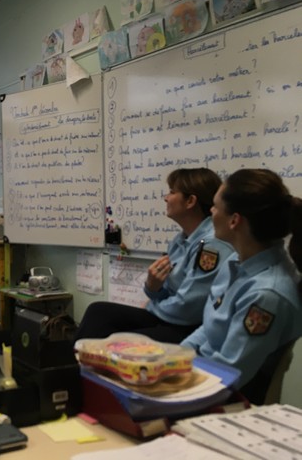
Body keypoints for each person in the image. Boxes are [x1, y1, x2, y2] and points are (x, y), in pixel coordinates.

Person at [73, 168, 234, 344]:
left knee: (121, 343)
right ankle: (77, 360)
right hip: (171, 318)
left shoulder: (212, 245)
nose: (166, 198)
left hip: (192, 328)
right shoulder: (180, 241)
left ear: (190, 201)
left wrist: (151, 306)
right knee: (99, 312)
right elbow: (167, 292)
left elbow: (188, 308)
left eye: (172, 192)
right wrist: (153, 288)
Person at [181, 169, 302, 401]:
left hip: (227, 396)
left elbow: (228, 373)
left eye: (215, 206)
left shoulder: (267, 294)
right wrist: (174, 357)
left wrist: (171, 375)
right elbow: (210, 328)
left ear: (234, 220)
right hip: (204, 374)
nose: (211, 212)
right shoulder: (236, 263)